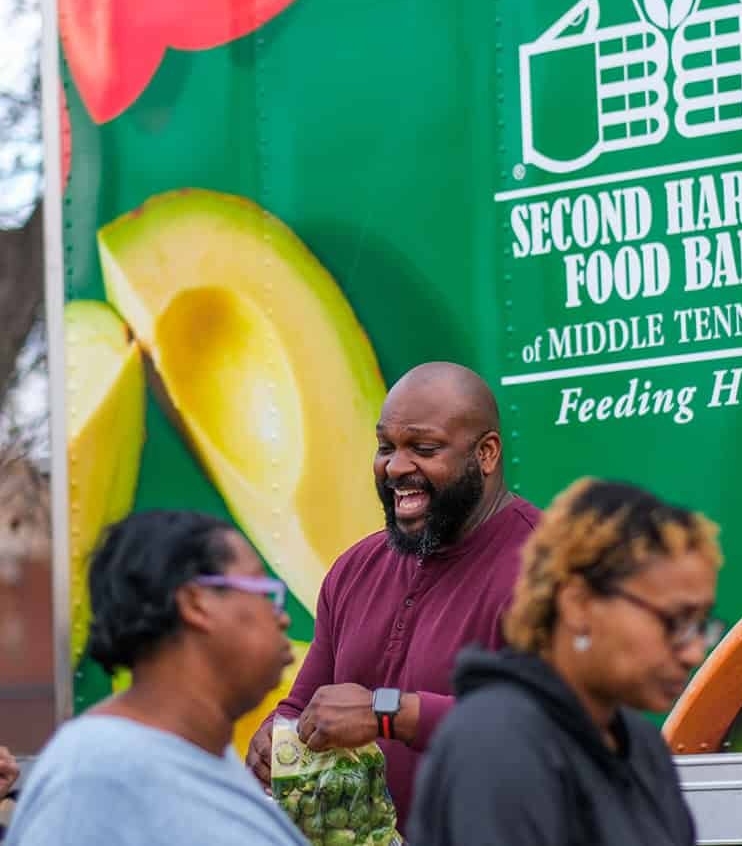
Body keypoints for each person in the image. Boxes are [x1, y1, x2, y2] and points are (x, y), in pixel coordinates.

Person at [246, 362, 540, 830]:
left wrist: (386, 713)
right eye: (386, 447)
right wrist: (274, 738)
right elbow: (302, 706)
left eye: (423, 448)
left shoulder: (548, 573)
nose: (397, 468)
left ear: (485, 454)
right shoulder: (353, 570)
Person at [407, 477, 724, 846]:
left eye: (699, 625)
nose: (693, 652)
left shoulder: (640, 745)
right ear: (578, 605)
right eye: (673, 621)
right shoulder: (498, 744)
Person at [6, 510, 306, 846]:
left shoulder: (202, 754)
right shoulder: (95, 775)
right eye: (263, 592)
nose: (281, 618)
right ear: (196, 603)